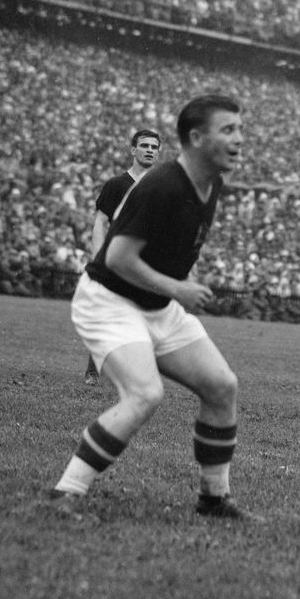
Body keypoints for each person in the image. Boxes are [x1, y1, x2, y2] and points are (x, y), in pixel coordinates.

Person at [50, 95, 247, 519]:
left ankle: (213, 499)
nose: (238, 140)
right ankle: (67, 491)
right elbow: (118, 258)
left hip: (156, 305)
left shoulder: (212, 183)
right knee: (144, 393)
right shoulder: (161, 185)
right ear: (195, 138)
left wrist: (172, 290)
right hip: (108, 301)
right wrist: (178, 287)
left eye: (240, 130)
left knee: (222, 387)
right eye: (228, 130)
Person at [83, 129, 162, 384]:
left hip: (147, 262)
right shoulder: (117, 184)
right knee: (108, 315)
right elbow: (100, 221)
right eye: (145, 145)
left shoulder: (160, 186)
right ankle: (93, 372)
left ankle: (134, 374)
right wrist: (99, 257)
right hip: (117, 261)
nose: (150, 150)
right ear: (133, 150)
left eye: (154, 147)